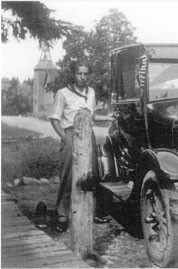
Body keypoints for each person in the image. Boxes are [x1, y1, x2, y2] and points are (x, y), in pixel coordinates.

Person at [49, 60, 112, 232]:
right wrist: (66, 138)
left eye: (85, 73)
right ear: (73, 74)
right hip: (70, 133)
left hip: (87, 134)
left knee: (92, 173)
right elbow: (54, 119)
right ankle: (62, 214)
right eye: (79, 73)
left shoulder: (91, 92)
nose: (82, 77)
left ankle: (91, 213)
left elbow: (90, 116)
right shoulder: (63, 93)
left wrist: (107, 118)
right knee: (68, 175)